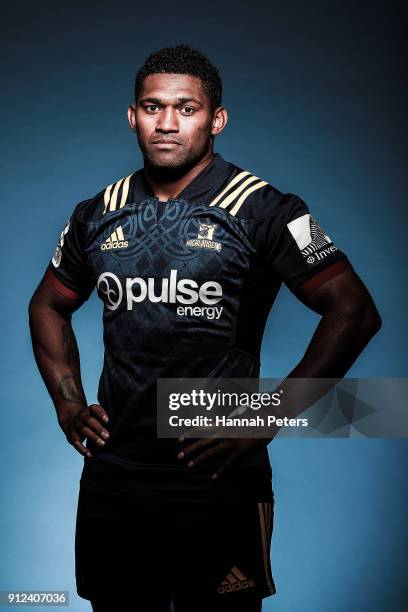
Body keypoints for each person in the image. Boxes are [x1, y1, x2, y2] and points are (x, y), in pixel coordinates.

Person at [28, 45, 382, 612]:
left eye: (186, 108)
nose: (167, 123)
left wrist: (264, 417)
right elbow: (47, 305)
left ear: (216, 119)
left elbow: (355, 311)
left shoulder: (265, 209)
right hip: (115, 476)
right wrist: (69, 404)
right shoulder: (97, 213)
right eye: (152, 107)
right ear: (132, 116)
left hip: (217, 477)